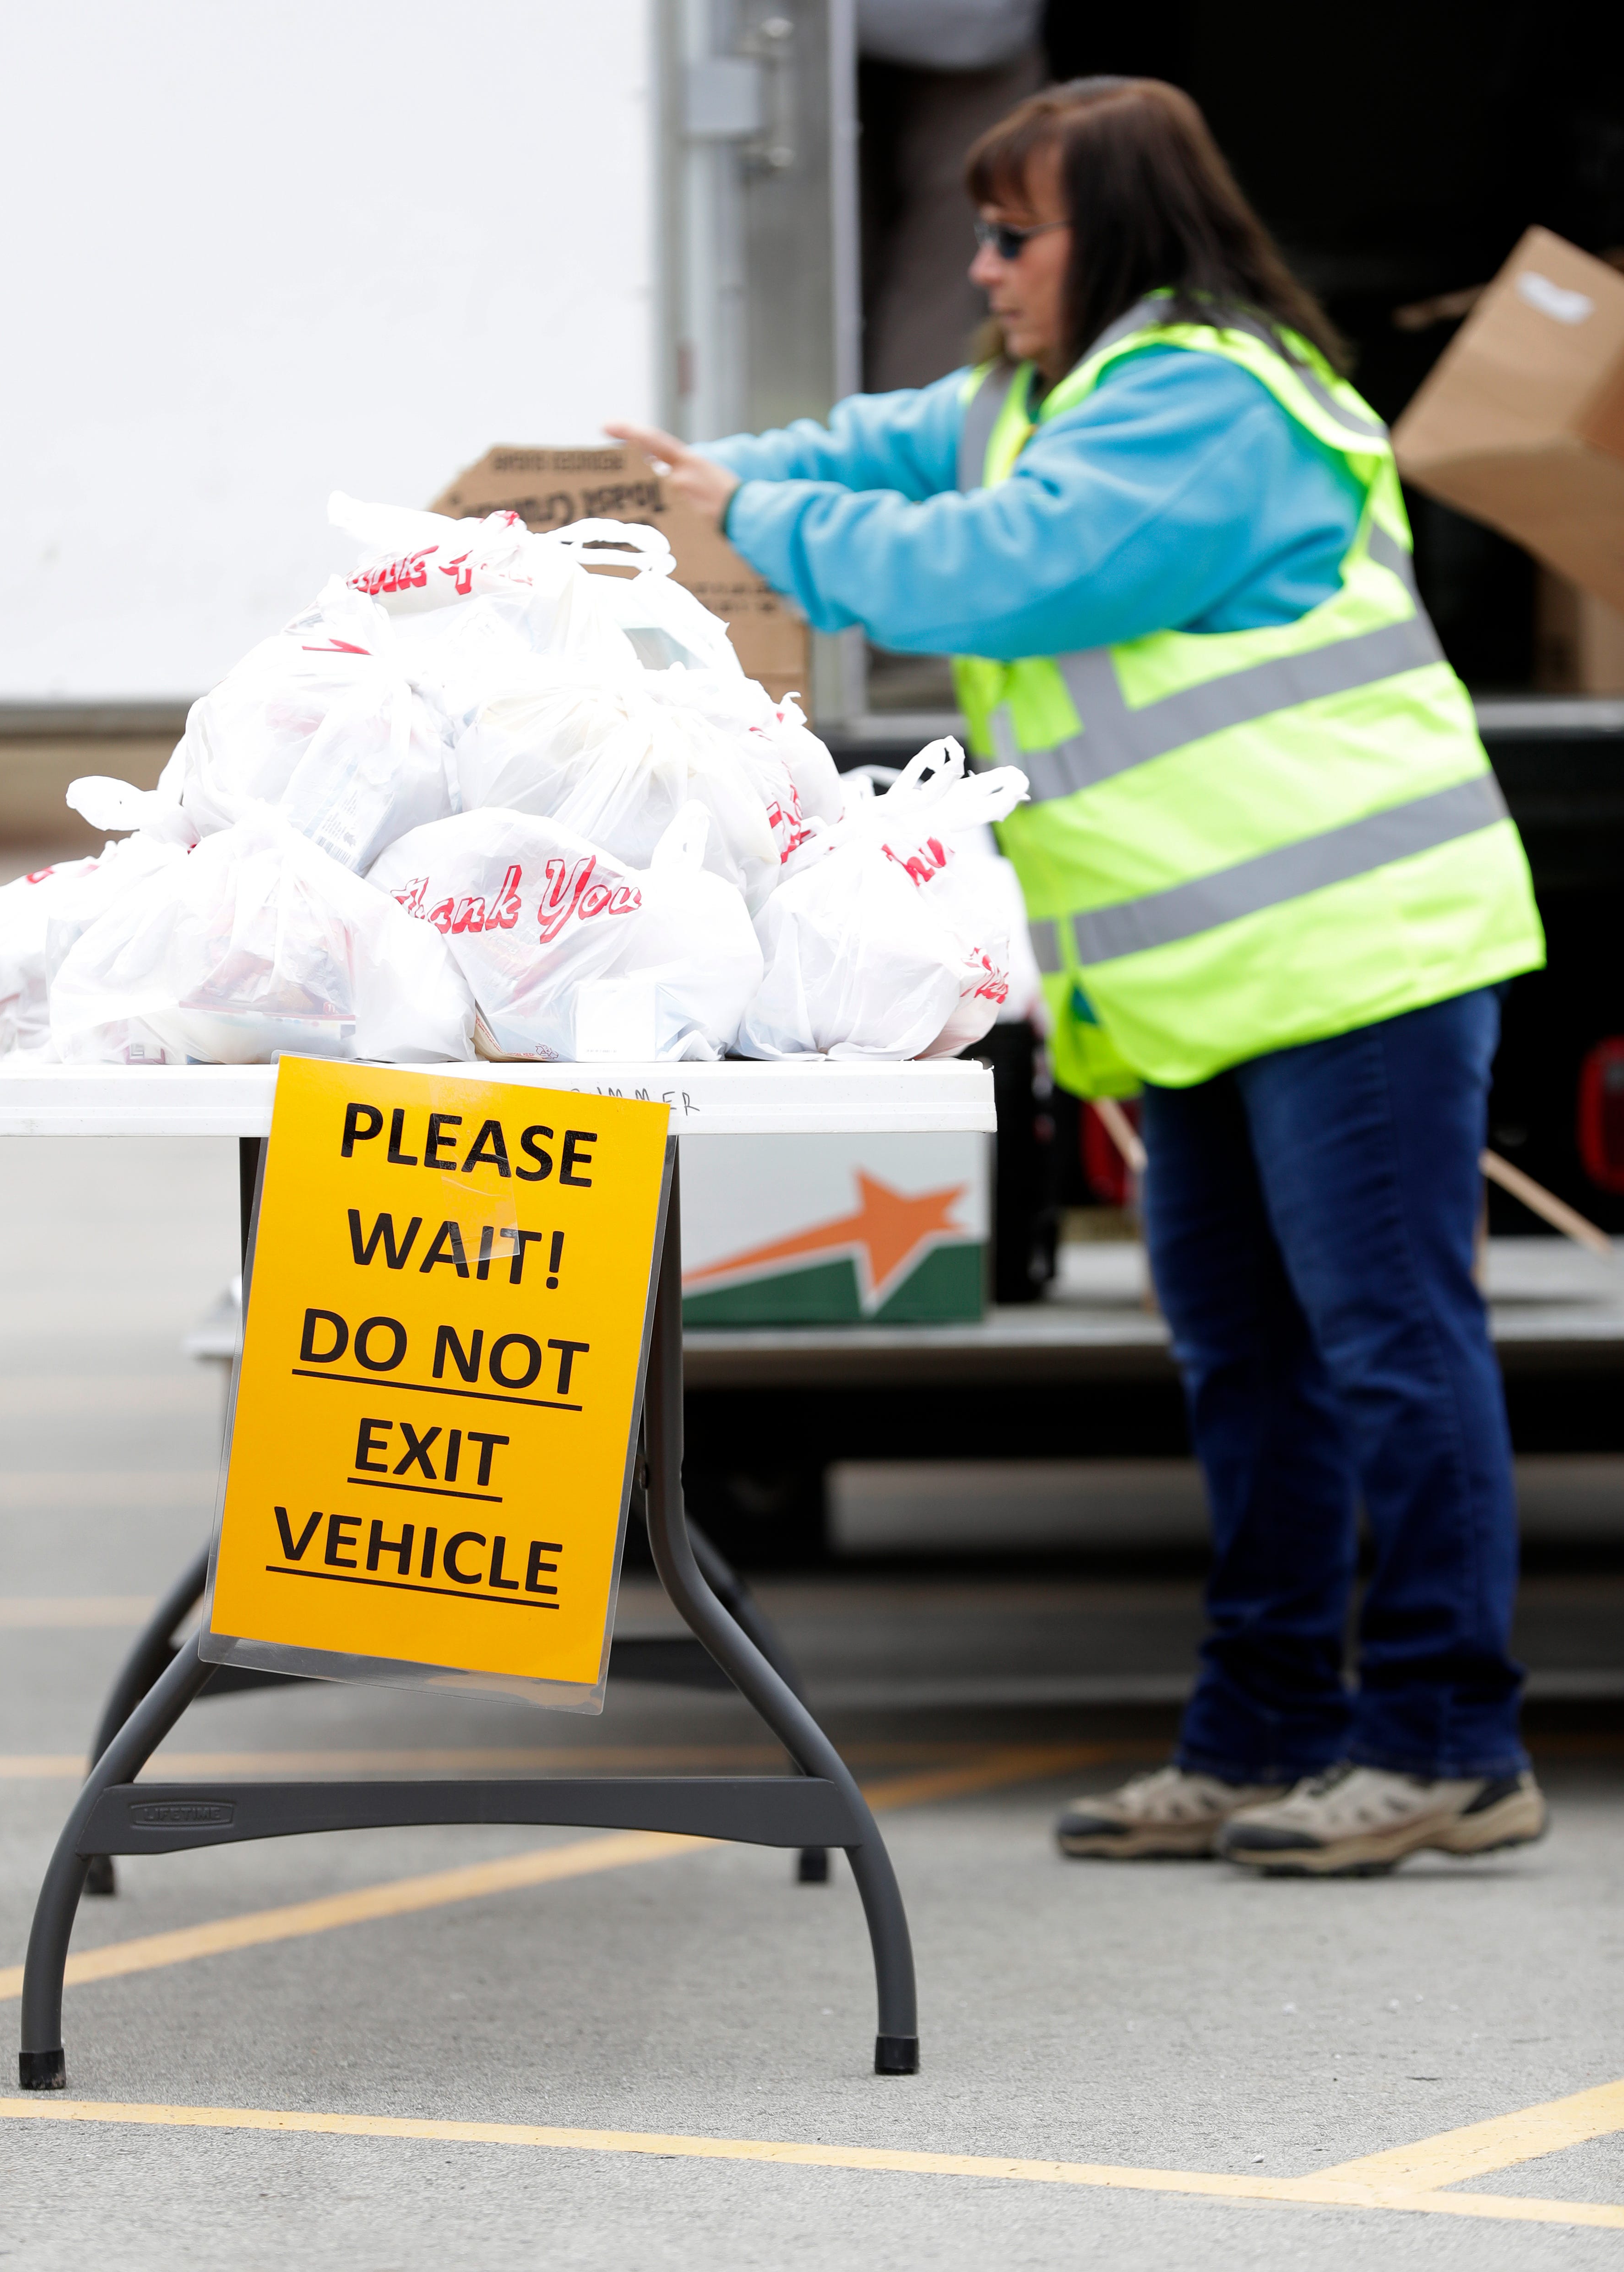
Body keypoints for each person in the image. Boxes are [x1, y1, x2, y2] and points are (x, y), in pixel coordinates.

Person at [609, 77, 1549, 1879]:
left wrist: (752, 518)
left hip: (1355, 954)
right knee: (1251, 1372)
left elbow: (1003, 570)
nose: (981, 269)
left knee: (1385, 1353)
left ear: (1113, 234)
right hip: (1210, 983)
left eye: (1011, 236)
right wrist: (657, 488)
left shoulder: (1215, 401)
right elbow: (876, 447)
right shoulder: (1040, 401)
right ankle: (1260, 1731)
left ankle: (1450, 1743)